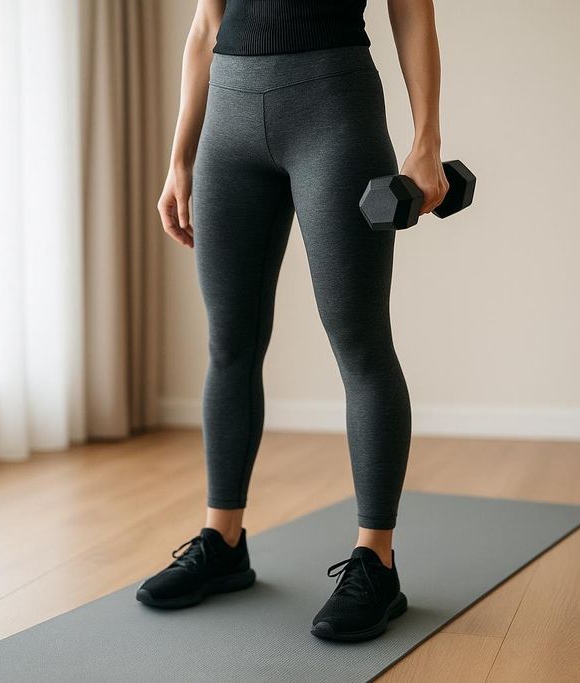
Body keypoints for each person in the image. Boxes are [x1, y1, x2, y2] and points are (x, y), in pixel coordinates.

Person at [136, 0, 447, 642]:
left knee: (359, 340)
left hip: (333, 108)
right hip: (227, 118)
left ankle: (376, 563)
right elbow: (206, 24)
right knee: (230, 343)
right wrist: (180, 157)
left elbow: (413, 11)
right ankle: (223, 542)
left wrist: (426, 142)